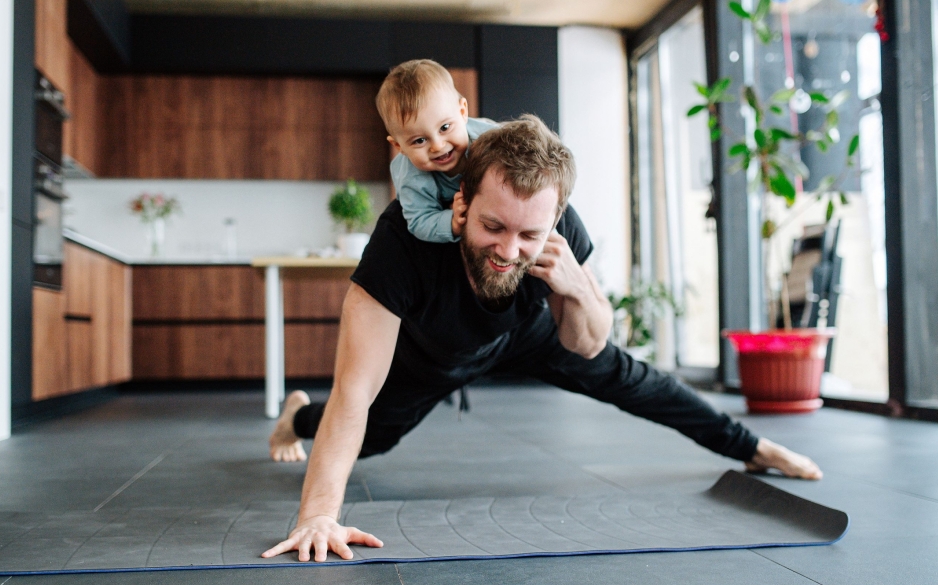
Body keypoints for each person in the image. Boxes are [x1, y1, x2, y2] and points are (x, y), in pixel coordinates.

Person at [263, 115, 823, 563]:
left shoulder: (562, 232)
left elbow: (590, 346)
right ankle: (296, 417)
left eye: (529, 234)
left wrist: (577, 288)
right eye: (492, 227)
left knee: (632, 379)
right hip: (434, 351)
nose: (508, 250)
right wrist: (318, 515)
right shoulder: (401, 242)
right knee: (373, 437)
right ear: (461, 203)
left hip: (527, 332)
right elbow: (354, 391)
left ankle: (752, 448)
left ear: (554, 221)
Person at [377, 58, 497, 243]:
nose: (438, 146)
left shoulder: (492, 140)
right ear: (399, 147)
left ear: (463, 112)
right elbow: (420, 220)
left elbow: (530, 156)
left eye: (445, 127)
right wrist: (451, 221)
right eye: (420, 140)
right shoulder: (412, 177)